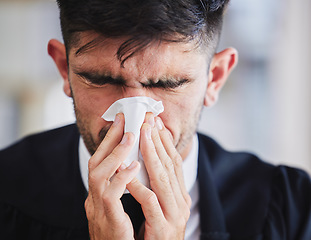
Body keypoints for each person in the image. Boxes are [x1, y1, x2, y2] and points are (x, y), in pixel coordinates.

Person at [1, 0, 311, 239]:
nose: (133, 121)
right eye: (99, 79)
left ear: (214, 78)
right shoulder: (7, 192)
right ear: (63, 68)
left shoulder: (290, 209)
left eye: (167, 84)